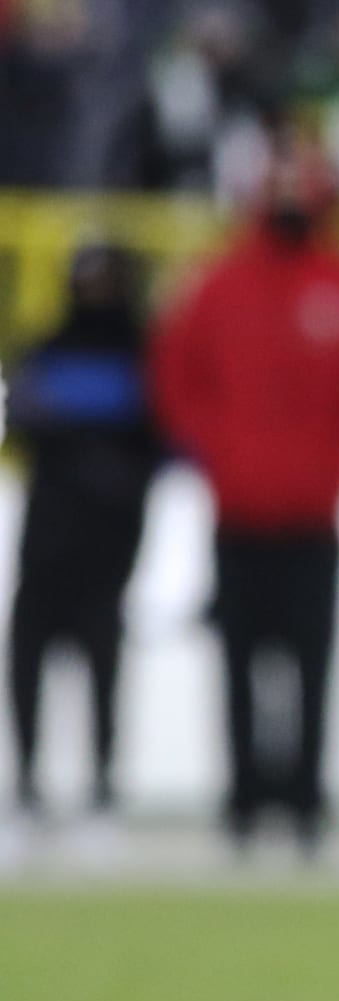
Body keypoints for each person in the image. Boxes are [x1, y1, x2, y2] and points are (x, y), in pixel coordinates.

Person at [152, 123, 339, 854]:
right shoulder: (221, 283)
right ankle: (242, 801)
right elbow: (179, 379)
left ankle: (304, 802)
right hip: (238, 514)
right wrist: (220, 452)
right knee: (237, 667)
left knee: (311, 666)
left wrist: (335, 456)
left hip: (313, 515)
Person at [5, 243, 160, 843]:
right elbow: (21, 418)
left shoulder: (141, 355)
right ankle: (26, 788)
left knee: (103, 662)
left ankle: (101, 789)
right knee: (27, 661)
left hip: (108, 545)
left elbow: (154, 440)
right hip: (46, 541)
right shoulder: (46, 351)